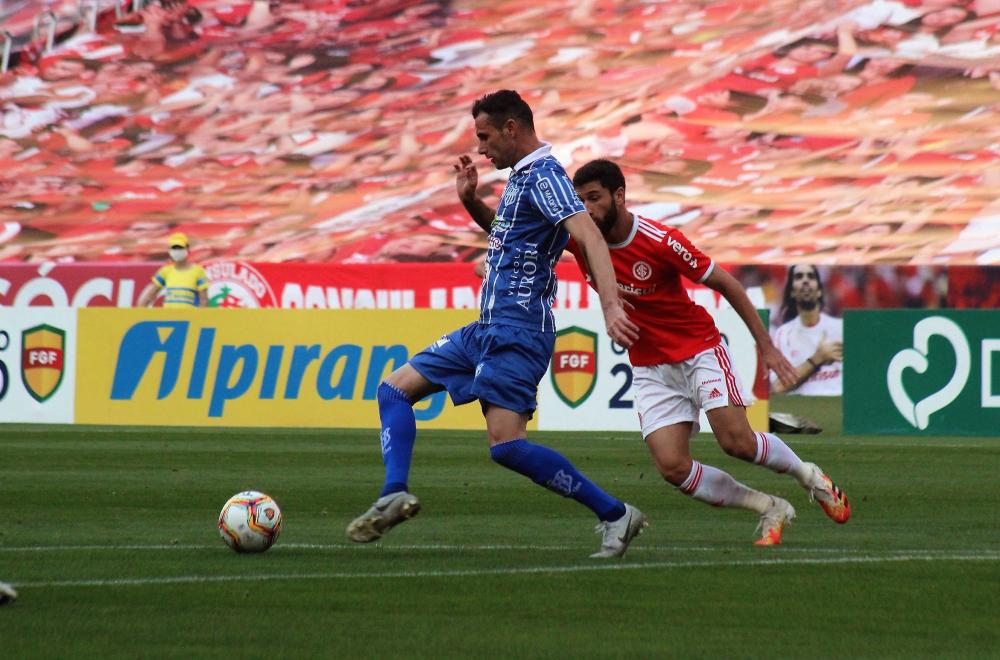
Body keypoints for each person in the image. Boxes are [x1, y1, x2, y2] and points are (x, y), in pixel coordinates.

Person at [346, 90, 647, 558]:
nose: (482, 149)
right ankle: (394, 492)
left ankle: (615, 513)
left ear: (512, 128)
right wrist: (469, 201)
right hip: (485, 328)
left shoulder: (546, 174)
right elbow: (510, 235)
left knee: (506, 446)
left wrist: (610, 307)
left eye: (485, 137)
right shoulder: (523, 178)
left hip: (518, 329)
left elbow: (587, 234)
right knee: (393, 390)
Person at [566, 159, 850, 545]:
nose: (586, 209)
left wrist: (765, 346)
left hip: (698, 349)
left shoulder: (661, 240)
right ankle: (769, 506)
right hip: (651, 366)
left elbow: (728, 283)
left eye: (594, 198)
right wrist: (476, 210)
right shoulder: (580, 237)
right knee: (672, 467)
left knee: (737, 442)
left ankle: (811, 478)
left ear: (619, 195)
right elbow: (513, 231)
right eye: (579, 200)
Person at [770, 265, 844, 396]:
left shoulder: (841, 328)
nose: (805, 280)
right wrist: (817, 359)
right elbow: (777, 387)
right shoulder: (783, 334)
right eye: (799, 277)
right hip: (802, 410)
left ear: (820, 291)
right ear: (792, 292)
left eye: (811, 276)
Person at [136, 232, 209, 308]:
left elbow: (204, 301)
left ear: (187, 249)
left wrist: (200, 318)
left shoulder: (198, 271)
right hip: (169, 316)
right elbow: (150, 295)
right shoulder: (165, 271)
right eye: (174, 248)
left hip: (188, 316)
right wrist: (140, 312)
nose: (177, 251)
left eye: (180, 248)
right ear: (169, 251)